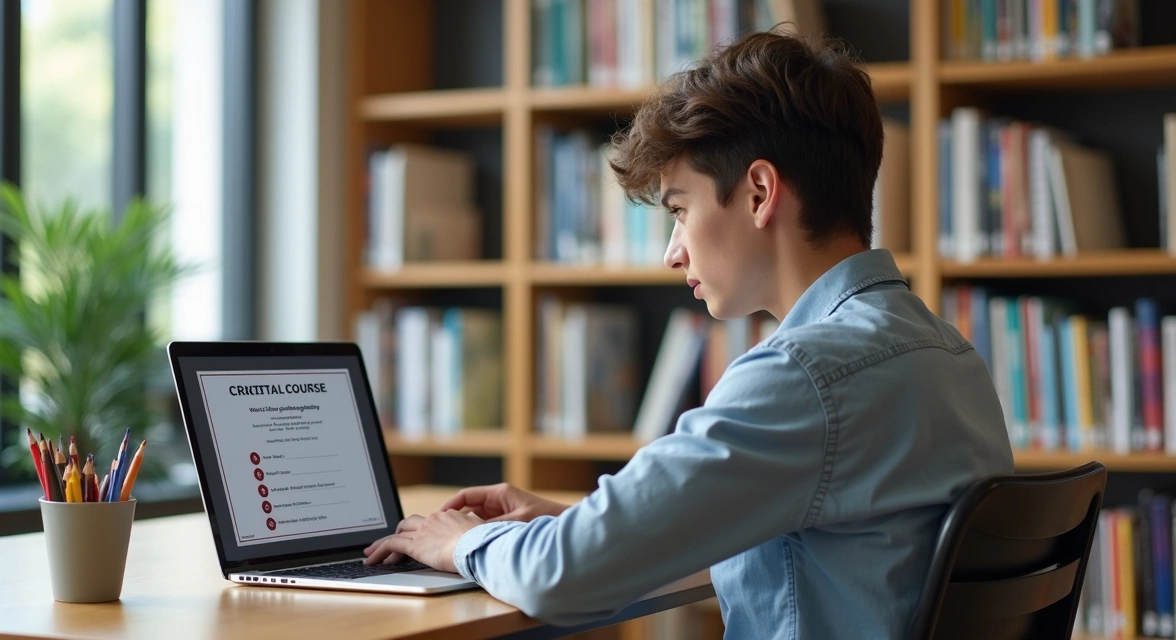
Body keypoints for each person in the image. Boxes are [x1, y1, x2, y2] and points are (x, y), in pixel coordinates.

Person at [364, 29, 1013, 637]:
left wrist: (457, 542)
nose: (673, 252)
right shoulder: (946, 354)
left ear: (759, 193)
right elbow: (824, 537)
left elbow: (559, 578)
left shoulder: (807, 376)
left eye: (680, 209)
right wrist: (579, 526)